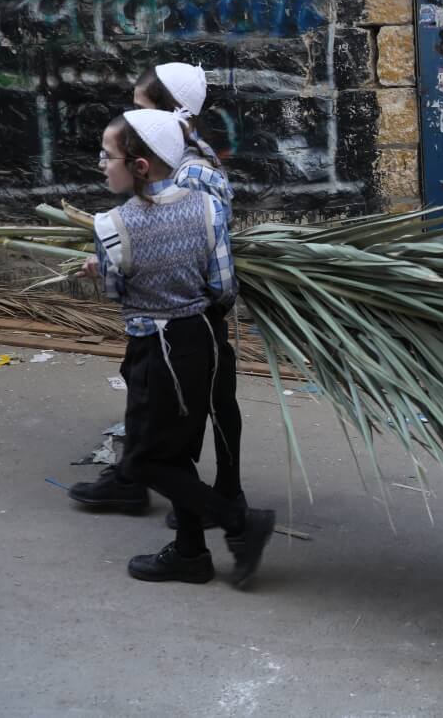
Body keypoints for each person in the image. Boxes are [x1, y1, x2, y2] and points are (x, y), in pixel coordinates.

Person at [85, 107, 275, 587]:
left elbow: (115, 292)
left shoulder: (111, 226)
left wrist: (102, 268)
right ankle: (191, 553)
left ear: (141, 166)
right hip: (204, 342)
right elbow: (223, 287)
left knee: (145, 460)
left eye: (108, 157)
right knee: (180, 450)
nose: (102, 165)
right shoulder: (208, 207)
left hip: (157, 350)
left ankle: (240, 524)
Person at [68, 63, 245, 528]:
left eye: (140, 109)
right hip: (184, 315)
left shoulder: (194, 175)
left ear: (168, 115)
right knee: (166, 398)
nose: (131, 116)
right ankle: (152, 487)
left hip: (186, 317)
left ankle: (219, 500)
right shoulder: (180, 162)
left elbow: (197, 254)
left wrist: (118, 261)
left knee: (191, 404)